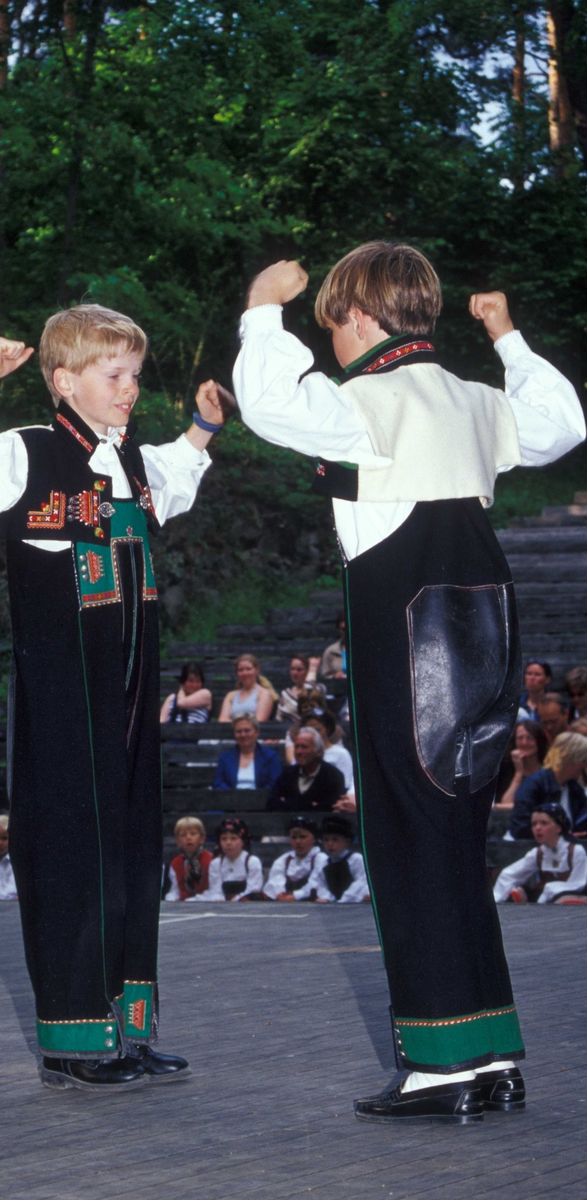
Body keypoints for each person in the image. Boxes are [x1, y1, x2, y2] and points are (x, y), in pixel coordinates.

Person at [234, 243, 583, 1122]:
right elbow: (562, 424)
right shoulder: (474, 401)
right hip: (485, 641)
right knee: (459, 845)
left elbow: (270, 404)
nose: (335, 347)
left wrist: (261, 308)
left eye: (332, 328)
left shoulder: (366, 400)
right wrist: (507, 339)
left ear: (355, 316)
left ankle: (440, 1064)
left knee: (409, 846)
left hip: (413, 644)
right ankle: (492, 1051)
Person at [0, 306, 231, 1090]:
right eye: (113, 375)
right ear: (64, 380)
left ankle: (129, 1028)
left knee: (128, 851)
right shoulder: (26, 453)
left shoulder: (135, 463)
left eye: (134, 374)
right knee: (72, 852)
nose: (129, 388)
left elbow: (176, 479)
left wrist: (202, 428)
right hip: (60, 693)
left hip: (126, 696)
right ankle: (75, 1039)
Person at [494, 805, 587, 904]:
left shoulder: (575, 851)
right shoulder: (538, 853)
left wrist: (550, 889)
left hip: (571, 897)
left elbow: (578, 883)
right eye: (534, 824)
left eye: (544, 823)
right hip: (546, 899)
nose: (537, 828)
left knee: (564, 900)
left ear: (558, 828)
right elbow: (509, 874)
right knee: (518, 892)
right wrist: (495, 900)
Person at [509, 731, 587, 840]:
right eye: (583, 760)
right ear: (571, 759)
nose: (584, 765)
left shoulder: (575, 789)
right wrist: (560, 837)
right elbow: (520, 827)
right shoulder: (534, 784)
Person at [267, 729, 347, 812]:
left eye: (304, 747)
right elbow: (272, 804)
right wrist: (311, 804)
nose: (298, 751)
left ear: (318, 751)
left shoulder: (333, 775)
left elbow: (330, 808)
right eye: (296, 747)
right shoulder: (287, 774)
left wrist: (288, 803)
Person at [189, 818, 263, 901]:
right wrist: (219, 900)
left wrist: (237, 900)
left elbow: (253, 889)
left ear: (243, 841)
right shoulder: (216, 863)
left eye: (233, 838)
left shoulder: (252, 861)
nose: (228, 842)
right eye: (224, 839)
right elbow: (215, 889)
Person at [213, 716, 282, 790]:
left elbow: (275, 783)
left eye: (247, 730)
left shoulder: (270, 756)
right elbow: (218, 783)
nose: (243, 735)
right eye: (239, 731)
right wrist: (234, 797)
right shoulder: (225, 758)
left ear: (257, 732)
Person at [311, 815, 370, 903]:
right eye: (326, 840)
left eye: (335, 839)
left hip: (355, 903)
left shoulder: (356, 859)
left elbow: (360, 883)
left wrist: (342, 902)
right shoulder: (323, 862)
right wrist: (328, 898)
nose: (330, 844)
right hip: (334, 905)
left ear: (347, 841)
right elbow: (319, 884)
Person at [263, 818, 321, 901]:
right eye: (293, 837)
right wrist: (280, 893)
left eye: (303, 837)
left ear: (314, 838)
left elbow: (317, 883)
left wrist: (295, 896)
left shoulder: (321, 858)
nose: (298, 841)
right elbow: (274, 881)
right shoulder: (284, 860)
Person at [494, 720, 548, 809]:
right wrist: (519, 773)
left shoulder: (546, 769)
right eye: (520, 738)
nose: (524, 743)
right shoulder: (505, 767)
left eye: (530, 738)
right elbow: (504, 804)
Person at [164, 817, 213, 901]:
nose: (188, 838)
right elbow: (176, 890)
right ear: (178, 842)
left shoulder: (211, 860)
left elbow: (214, 890)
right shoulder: (175, 863)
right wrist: (171, 898)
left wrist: (195, 899)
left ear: (202, 838)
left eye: (193, 834)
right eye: (183, 835)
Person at [218, 654, 277, 723]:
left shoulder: (264, 694)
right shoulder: (230, 696)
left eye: (248, 669)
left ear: (257, 670)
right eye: (241, 670)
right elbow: (222, 720)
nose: (245, 673)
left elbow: (259, 721)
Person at [276, 655, 313, 723]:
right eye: (292, 669)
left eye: (299, 670)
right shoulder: (285, 693)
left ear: (307, 671)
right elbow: (279, 717)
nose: (295, 673)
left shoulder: (313, 690)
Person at [320, 613, 347, 681]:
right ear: (338, 629)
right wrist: (334, 676)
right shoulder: (330, 651)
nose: (347, 632)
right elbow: (325, 676)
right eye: (343, 629)